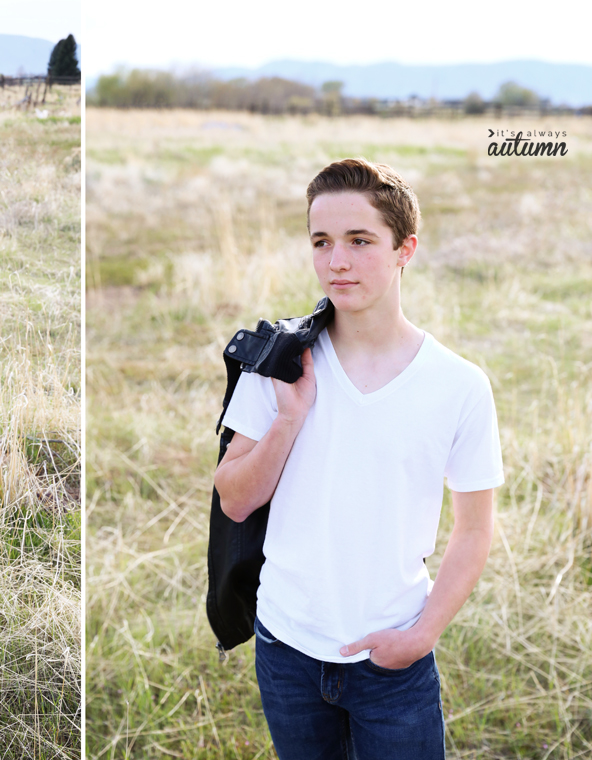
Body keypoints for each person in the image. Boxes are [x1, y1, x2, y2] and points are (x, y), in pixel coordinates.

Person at [213, 158, 503, 758]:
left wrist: (421, 636)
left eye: (360, 241)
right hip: (287, 647)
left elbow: (474, 532)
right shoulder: (280, 360)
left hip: (392, 661)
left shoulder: (459, 386)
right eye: (322, 242)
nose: (336, 261)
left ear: (406, 249)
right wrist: (290, 417)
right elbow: (235, 499)